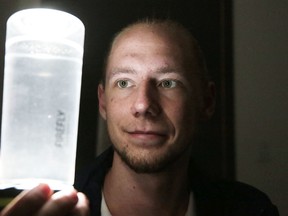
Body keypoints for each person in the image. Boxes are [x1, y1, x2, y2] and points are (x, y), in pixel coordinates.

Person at [0, 19, 279, 216]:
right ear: (102, 102)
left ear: (206, 102)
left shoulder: (252, 209)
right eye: (124, 83)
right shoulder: (33, 210)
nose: (144, 104)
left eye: (168, 83)